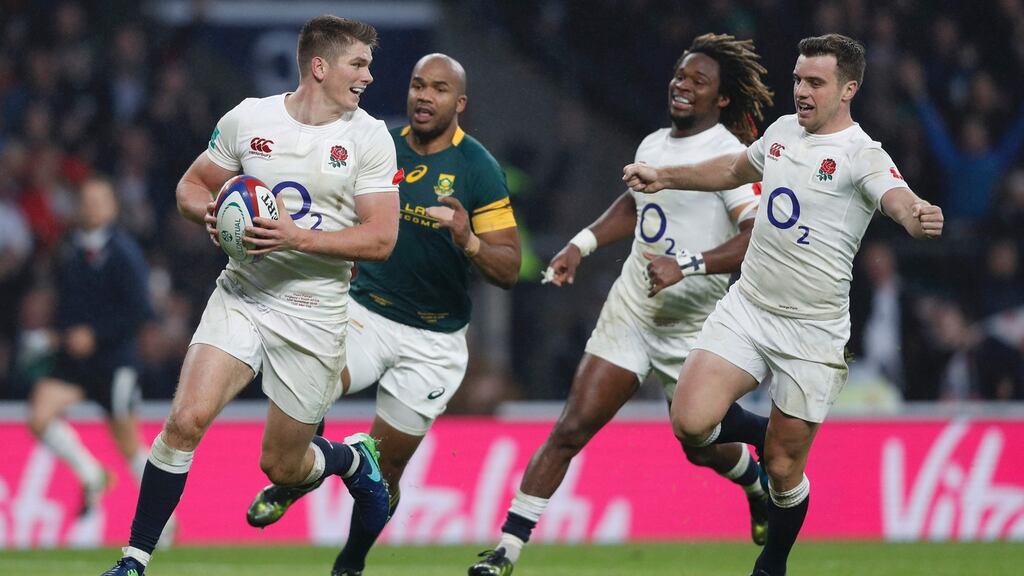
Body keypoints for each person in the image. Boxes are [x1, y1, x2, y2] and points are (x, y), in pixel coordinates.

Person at [623, 34, 944, 576]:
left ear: (849, 90)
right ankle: (760, 433)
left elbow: (897, 198)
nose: (800, 90)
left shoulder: (860, 154)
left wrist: (917, 215)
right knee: (690, 421)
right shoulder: (780, 133)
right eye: (798, 79)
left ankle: (772, 564)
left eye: (814, 82)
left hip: (812, 332)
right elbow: (732, 171)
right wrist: (665, 176)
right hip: (749, 306)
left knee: (782, 467)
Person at [100, 15, 401, 576]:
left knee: (283, 468)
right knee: (184, 421)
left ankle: (348, 458)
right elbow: (191, 187)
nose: (369, 75)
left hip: (315, 311)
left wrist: (295, 236)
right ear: (319, 66)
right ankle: (135, 558)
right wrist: (212, 215)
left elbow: (382, 237)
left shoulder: (368, 137)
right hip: (243, 294)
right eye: (358, 63)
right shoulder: (249, 118)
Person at [470, 33, 774, 575]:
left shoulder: (731, 159)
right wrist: (580, 245)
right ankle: (506, 551)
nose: (682, 85)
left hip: (695, 326)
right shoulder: (653, 144)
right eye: (680, 75)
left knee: (699, 445)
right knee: (571, 427)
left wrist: (688, 264)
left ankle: (754, 482)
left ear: (722, 99)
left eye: (698, 81)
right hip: (633, 312)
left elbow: (756, 238)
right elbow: (635, 207)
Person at [245, 53, 522, 576]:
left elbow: (508, 268)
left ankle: (351, 560)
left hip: (435, 341)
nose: (424, 96)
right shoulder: (378, 144)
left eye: (439, 89)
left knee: (386, 470)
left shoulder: (479, 170)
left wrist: (467, 240)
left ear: (459, 103)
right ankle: (293, 478)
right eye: (418, 84)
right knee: (312, 386)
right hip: (366, 312)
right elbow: (335, 207)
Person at [26, 176, 168, 533]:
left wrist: (96, 334)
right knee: (40, 414)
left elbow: (140, 312)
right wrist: (59, 334)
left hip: (115, 361)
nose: (91, 207)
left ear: (112, 207)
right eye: (86, 201)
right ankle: (91, 474)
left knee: (127, 442)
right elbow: (64, 300)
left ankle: (164, 520)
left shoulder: (124, 253)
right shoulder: (67, 249)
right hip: (75, 362)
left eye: (99, 201)